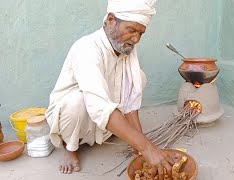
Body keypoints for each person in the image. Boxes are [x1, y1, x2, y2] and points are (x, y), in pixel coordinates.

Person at [45, 0, 174, 178]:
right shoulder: (86, 48)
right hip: (75, 117)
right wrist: (147, 148)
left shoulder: (126, 49)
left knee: (138, 78)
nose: (135, 39)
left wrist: (139, 143)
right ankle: (70, 148)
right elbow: (98, 105)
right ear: (111, 20)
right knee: (77, 103)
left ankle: (118, 131)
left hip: (101, 118)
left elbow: (130, 99)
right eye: (131, 30)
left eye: (140, 33)